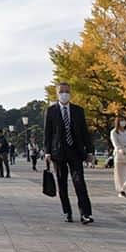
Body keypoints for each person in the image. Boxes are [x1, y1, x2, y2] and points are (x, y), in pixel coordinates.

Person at [43, 82, 95, 224]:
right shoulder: (51, 111)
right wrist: (47, 152)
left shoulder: (78, 110)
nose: (64, 94)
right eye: (61, 91)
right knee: (62, 184)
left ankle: (85, 214)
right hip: (58, 153)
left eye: (67, 91)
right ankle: (67, 212)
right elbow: (48, 133)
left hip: (76, 152)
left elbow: (85, 132)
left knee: (79, 182)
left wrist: (89, 150)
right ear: (57, 93)